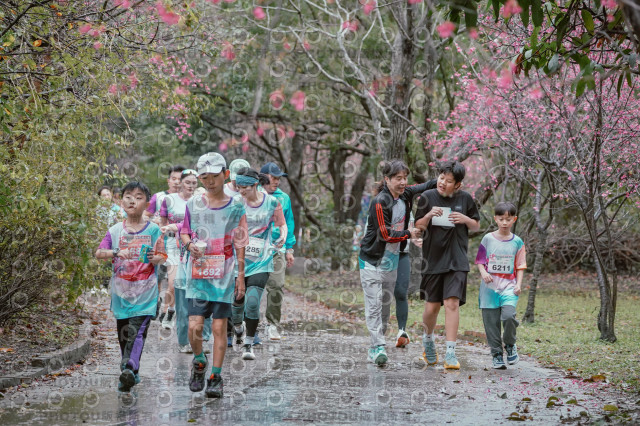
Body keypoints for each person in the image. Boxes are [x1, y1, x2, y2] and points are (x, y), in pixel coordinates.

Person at [180, 152, 248, 398]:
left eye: (214, 176)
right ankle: (199, 361)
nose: (209, 181)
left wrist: (241, 275)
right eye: (204, 177)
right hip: (198, 273)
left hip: (224, 273)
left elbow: (240, 240)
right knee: (194, 326)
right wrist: (190, 246)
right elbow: (184, 232)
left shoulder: (237, 206)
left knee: (219, 327)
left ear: (226, 175)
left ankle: (215, 376)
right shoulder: (193, 204)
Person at [94, 182, 167, 392]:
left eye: (138, 197)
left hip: (146, 292)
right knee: (124, 333)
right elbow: (99, 253)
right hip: (121, 293)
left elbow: (163, 256)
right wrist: (116, 252)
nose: (132, 200)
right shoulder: (115, 230)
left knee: (137, 329)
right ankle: (132, 371)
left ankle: (127, 366)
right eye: (128, 196)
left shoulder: (153, 230)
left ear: (147, 203)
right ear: (121, 201)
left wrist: (155, 258)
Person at [358, 160, 431, 365]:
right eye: (398, 178)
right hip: (371, 260)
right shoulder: (380, 202)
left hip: (392, 260)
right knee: (373, 305)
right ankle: (378, 347)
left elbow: (425, 186)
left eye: (405, 178)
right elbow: (385, 235)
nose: (403, 182)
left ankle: (375, 345)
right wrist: (409, 233)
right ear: (387, 179)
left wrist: (444, 179)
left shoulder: (405, 195)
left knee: (384, 305)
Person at [415, 160, 480, 370]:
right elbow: (418, 226)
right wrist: (428, 215)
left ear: (458, 184)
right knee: (431, 307)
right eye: (441, 178)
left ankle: (451, 353)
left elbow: (476, 225)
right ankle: (428, 340)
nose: (442, 183)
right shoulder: (427, 197)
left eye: (448, 181)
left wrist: (464, 219)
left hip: (457, 259)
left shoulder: (465, 198)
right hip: (433, 259)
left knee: (452, 303)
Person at [230, 167, 287, 360]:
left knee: (253, 302)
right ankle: (238, 327)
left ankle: (248, 344)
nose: (241, 191)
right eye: (238, 187)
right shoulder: (235, 203)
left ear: (255, 185)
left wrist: (283, 237)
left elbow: (282, 224)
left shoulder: (271, 202)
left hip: (261, 260)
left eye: (244, 187)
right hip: (237, 260)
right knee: (237, 300)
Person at [475, 202, 527, 369]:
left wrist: (519, 284)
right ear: (495, 219)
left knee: (509, 316)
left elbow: (520, 266)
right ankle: (497, 354)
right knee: (491, 324)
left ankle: (510, 344)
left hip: (509, 287)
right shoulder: (488, 239)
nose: (505, 222)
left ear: (514, 219)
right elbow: (480, 261)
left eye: (508, 219)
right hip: (489, 289)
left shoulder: (517, 242)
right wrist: (484, 273)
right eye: (501, 219)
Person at [259, 162, 296, 342]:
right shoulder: (253, 194)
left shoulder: (284, 198)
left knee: (277, 285)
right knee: (251, 287)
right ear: (263, 177)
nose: (276, 182)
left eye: (278, 179)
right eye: (273, 178)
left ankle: (272, 324)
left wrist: (289, 248)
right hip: (255, 248)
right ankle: (243, 323)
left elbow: (289, 223)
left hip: (277, 248)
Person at [159, 169, 198, 329]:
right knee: (173, 283)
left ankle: (187, 316)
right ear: (181, 182)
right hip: (173, 246)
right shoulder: (169, 200)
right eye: (187, 182)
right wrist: (161, 241)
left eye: (194, 183)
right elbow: (162, 224)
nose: (190, 186)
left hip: (192, 247)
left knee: (188, 284)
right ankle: (170, 311)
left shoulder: (199, 201)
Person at [145, 165, 185, 322]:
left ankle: (167, 309)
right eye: (174, 179)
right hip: (160, 243)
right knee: (157, 279)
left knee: (173, 282)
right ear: (168, 180)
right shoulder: (159, 197)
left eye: (180, 179)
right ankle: (157, 302)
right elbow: (145, 216)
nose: (176, 182)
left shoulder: (190, 200)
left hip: (179, 245)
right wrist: (155, 221)